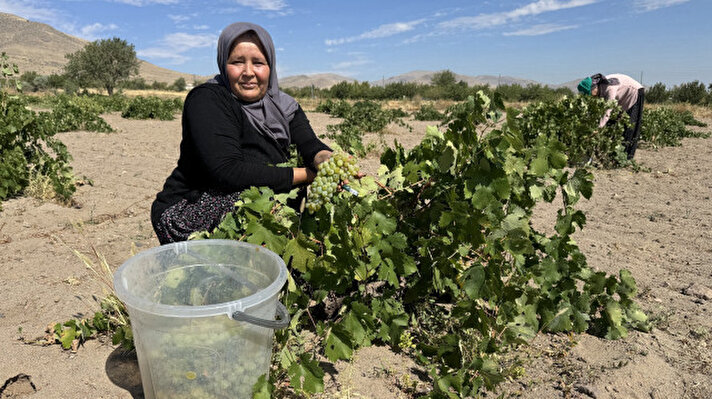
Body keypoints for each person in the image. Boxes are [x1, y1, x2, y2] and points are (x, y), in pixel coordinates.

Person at [151, 22, 332, 245]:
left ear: (270, 66)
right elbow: (227, 171)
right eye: (237, 62)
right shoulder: (208, 100)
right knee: (248, 203)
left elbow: (309, 144)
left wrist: (326, 161)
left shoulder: (284, 106)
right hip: (189, 208)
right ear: (223, 64)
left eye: (258, 63)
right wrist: (309, 175)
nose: (248, 72)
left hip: (259, 204)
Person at [577, 73, 645, 159]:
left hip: (635, 92)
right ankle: (613, 154)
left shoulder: (609, 88)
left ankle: (626, 158)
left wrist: (598, 128)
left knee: (630, 125)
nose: (590, 97)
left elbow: (607, 111)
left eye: (589, 94)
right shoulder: (600, 87)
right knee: (613, 123)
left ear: (593, 88)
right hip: (622, 96)